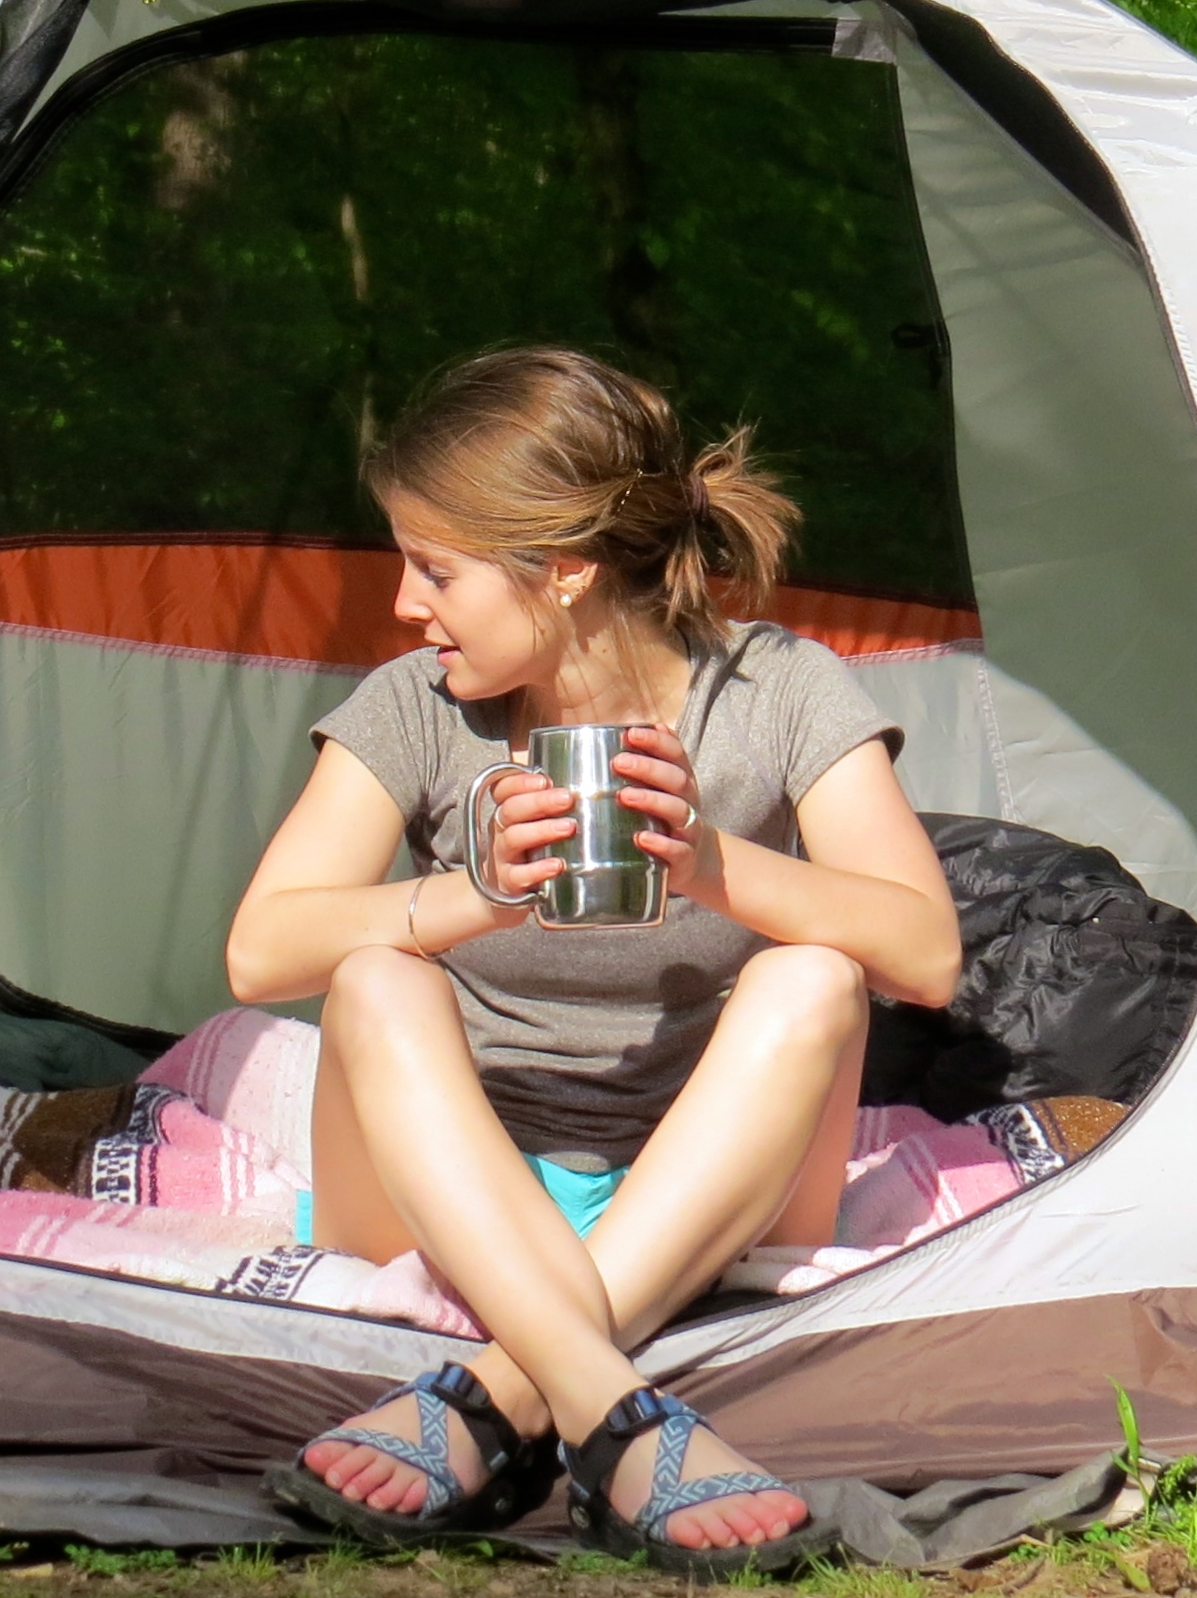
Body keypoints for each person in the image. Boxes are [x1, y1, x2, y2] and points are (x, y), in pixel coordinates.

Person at [224, 347, 959, 1573]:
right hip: (447, 1185)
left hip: (703, 1187)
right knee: (374, 975)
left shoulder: (774, 690)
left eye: (436, 570)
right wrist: (470, 898)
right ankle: (609, 1413)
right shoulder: (415, 705)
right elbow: (259, 953)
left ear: (563, 569)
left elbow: (925, 955)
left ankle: (499, 1397)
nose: (405, 605)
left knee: (814, 976)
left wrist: (711, 863)